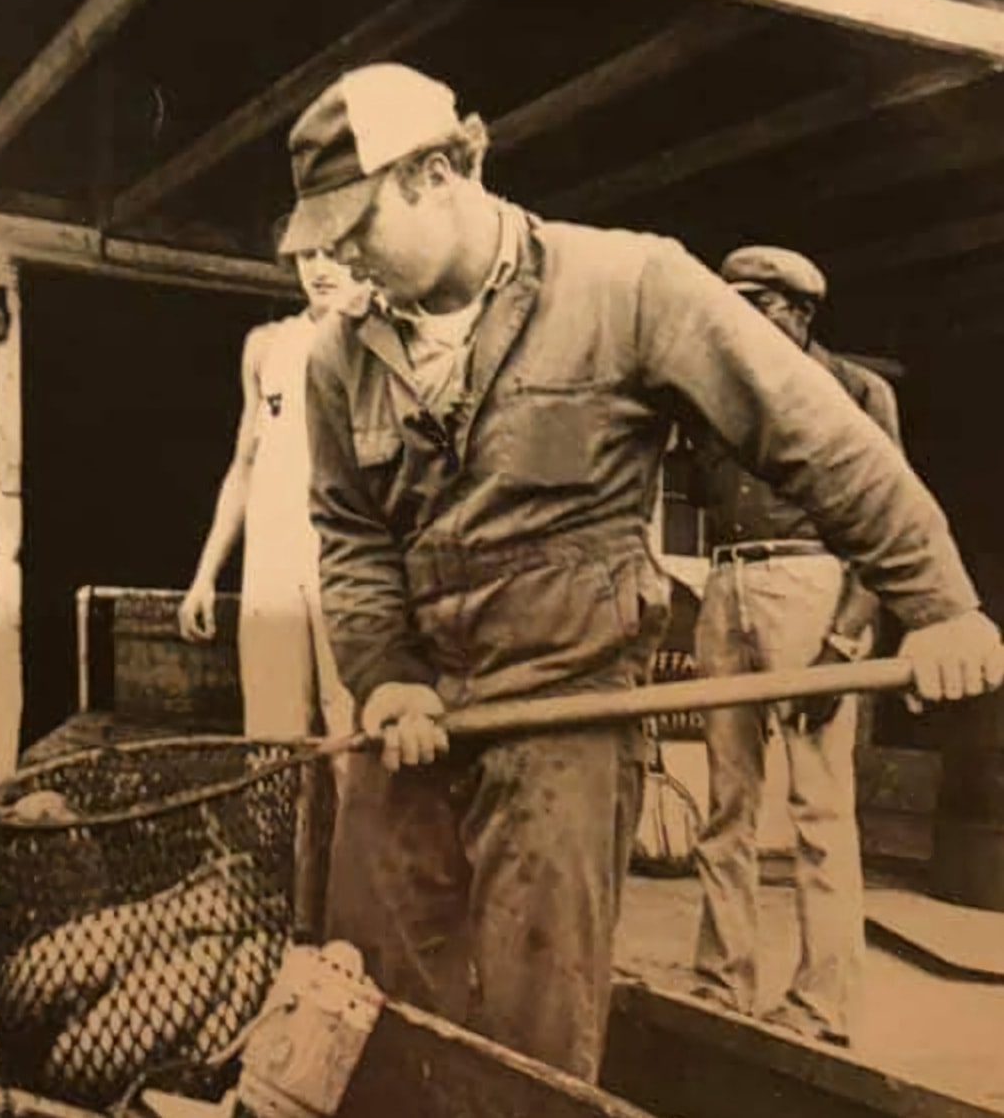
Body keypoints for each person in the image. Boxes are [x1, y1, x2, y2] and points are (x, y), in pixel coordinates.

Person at [278, 60, 1004, 1085]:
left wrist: (938, 604)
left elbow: (816, 439)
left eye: (357, 224)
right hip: (415, 724)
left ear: (439, 172)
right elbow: (349, 534)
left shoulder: (627, 287)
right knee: (378, 1008)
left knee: (534, 1033)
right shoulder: (336, 357)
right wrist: (383, 674)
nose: (341, 256)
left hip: (563, 717)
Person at [688, 246, 899, 1047]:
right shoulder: (715, 394)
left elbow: (889, 526)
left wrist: (845, 638)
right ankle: (722, 981)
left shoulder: (854, 391)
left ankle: (822, 1007)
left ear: (801, 311)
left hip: (808, 587)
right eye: (733, 299)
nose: (743, 314)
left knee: (818, 813)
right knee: (726, 808)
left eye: (761, 302)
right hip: (724, 586)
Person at [178, 234, 365, 742]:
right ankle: (288, 826)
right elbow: (244, 465)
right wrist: (205, 575)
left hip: (345, 555)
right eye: (307, 255)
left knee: (352, 729)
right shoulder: (265, 345)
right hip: (273, 556)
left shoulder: (377, 337)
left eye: (332, 251)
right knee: (272, 731)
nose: (320, 268)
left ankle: (351, 826)